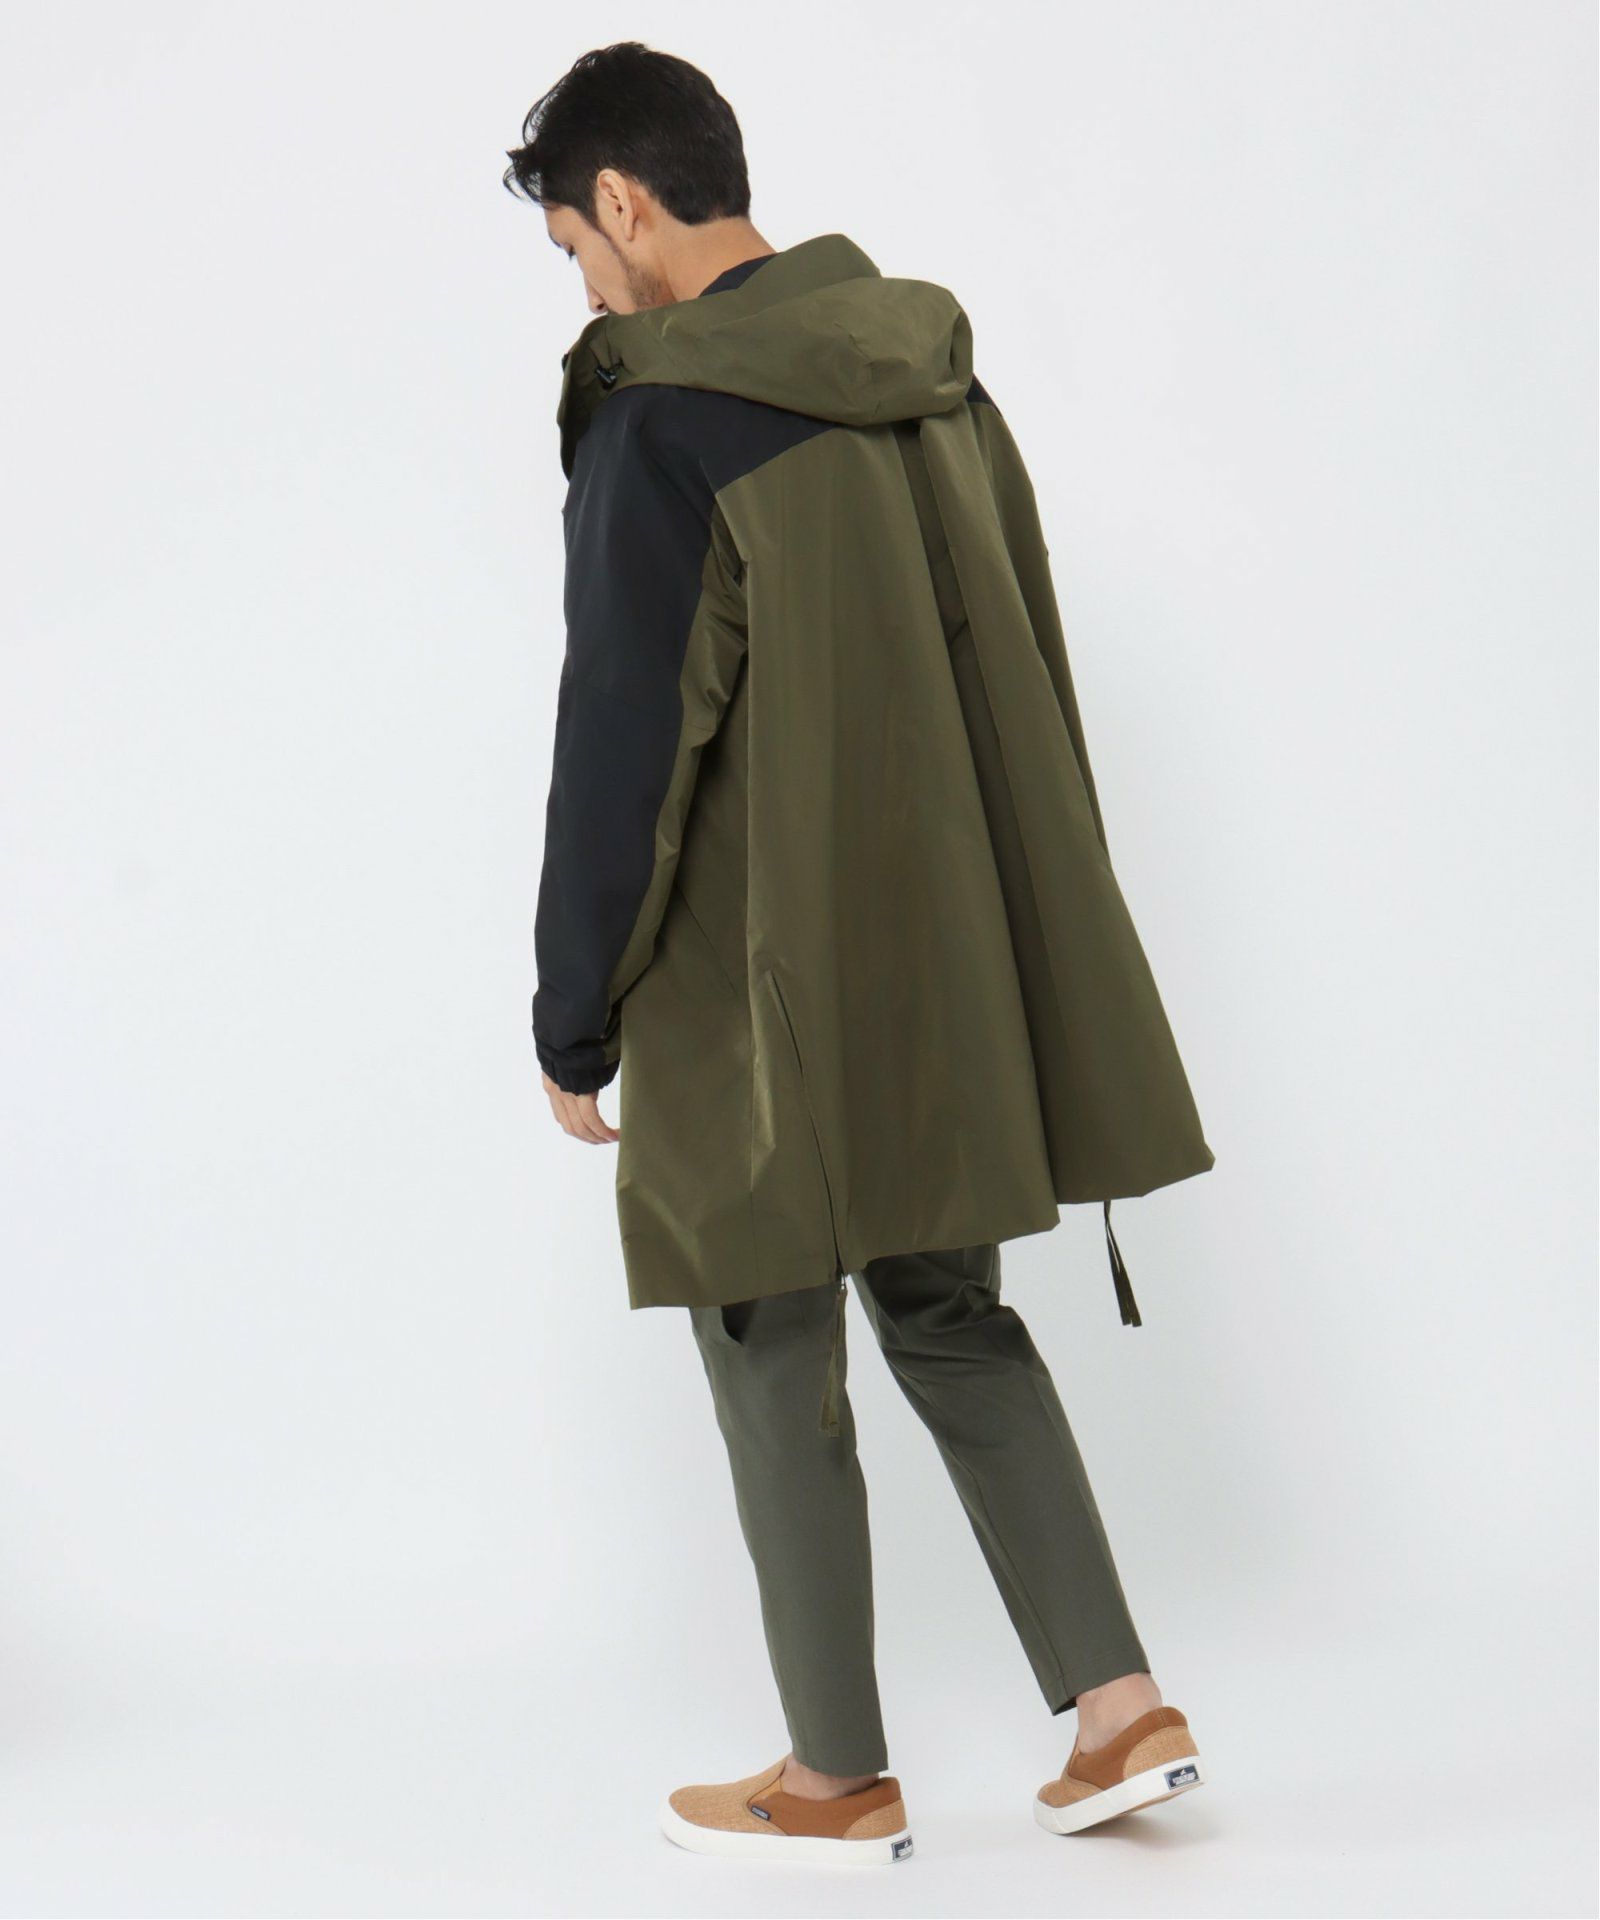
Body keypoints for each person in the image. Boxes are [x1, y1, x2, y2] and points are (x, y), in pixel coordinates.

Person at [505, 41, 1216, 1867]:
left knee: (765, 1325)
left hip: (750, 971)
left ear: (625, 204)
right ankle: (1124, 1713)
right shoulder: (927, 371)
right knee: (952, 1309)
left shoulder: (663, 414)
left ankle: (835, 1780)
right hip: (945, 945)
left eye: (575, 248)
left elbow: (627, 737)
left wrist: (573, 1011)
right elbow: (1020, 653)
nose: (585, 291)